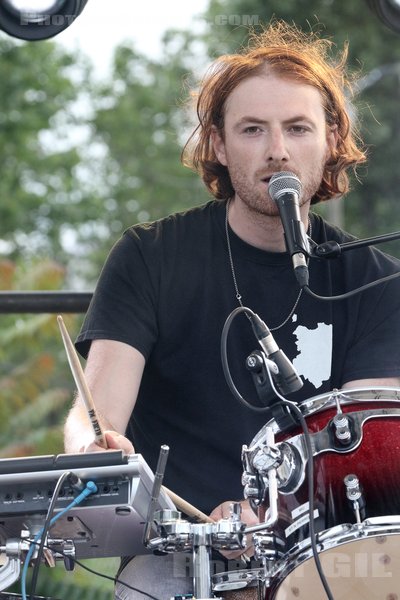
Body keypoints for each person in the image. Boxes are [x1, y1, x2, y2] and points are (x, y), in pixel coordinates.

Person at [64, 20, 400, 599]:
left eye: (298, 128)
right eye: (252, 130)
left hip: (321, 550)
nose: (277, 150)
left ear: (330, 139)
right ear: (218, 144)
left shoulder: (374, 281)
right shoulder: (150, 256)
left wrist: (270, 515)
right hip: (177, 551)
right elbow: (95, 417)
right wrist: (94, 449)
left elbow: (366, 460)